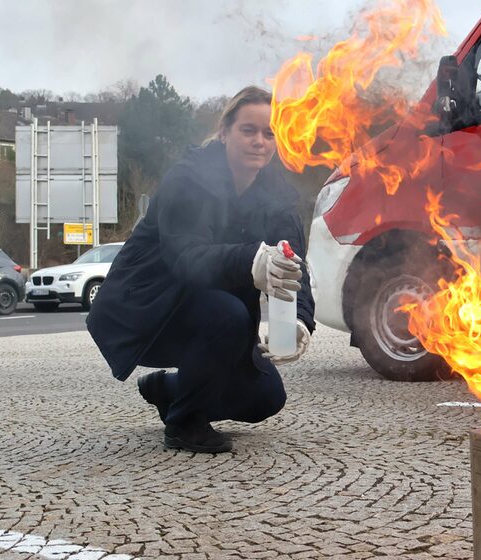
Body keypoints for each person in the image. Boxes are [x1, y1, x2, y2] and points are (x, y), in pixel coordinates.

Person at [86, 86, 315, 453]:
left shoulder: (279, 197)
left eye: (269, 133)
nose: (259, 141)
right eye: (248, 130)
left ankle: (169, 389)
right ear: (224, 132)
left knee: (266, 398)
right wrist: (251, 260)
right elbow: (186, 258)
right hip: (153, 311)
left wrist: (301, 318)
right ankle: (183, 425)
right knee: (229, 314)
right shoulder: (188, 179)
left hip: (221, 321)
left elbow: (293, 264)